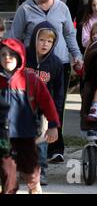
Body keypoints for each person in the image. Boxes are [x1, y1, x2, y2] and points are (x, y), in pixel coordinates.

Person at [9, 0, 83, 164]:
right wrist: (12, 63)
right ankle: (29, 148)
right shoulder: (25, 9)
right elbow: (15, 38)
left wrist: (77, 55)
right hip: (33, 66)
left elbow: (69, 35)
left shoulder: (62, 8)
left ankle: (56, 148)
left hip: (59, 65)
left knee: (57, 104)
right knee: (30, 106)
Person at [0, 38, 60, 194]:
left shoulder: (30, 79)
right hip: (3, 135)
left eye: (12, 55)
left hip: (25, 133)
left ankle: (34, 186)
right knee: (8, 169)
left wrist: (53, 125)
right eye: (3, 54)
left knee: (31, 166)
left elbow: (47, 102)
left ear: (20, 57)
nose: (7, 58)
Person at [25, 22, 64, 186]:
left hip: (43, 111)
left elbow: (59, 93)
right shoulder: (24, 57)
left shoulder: (55, 63)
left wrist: (55, 121)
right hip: (22, 107)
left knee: (41, 142)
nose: (45, 44)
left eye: (49, 41)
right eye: (41, 40)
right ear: (34, 39)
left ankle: (40, 172)